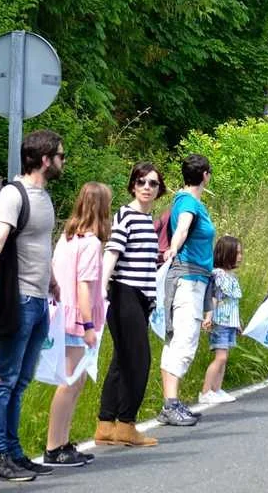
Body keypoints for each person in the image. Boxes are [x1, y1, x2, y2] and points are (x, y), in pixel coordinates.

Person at [0, 130, 63, 481]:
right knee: (3, 378)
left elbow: (40, 246)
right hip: (18, 299)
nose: (63, 161)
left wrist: (53, 281)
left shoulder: (43, 196)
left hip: (39, 298)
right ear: (45, 160)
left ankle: (14, 452)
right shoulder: (13, 195)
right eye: (60, 156)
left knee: (20, 380)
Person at [96, 163, 164, 447]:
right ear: (133, 185)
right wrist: (101, 289)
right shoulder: (126, 215)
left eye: (153, 183)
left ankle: (106, 424)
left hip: (140, 297)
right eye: (141, 182)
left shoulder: (147, 220)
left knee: (122, 359)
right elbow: (112, 253)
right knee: (139, 360)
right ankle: (126, 424)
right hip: (125, 293)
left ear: (159, 189)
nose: (146, 187)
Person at [44, 182, 111, 467]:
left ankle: (63, 441)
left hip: (64, 313)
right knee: (70, 381)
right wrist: (88, 325)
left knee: (77, 379)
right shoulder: (91, 244)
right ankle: (54, 445)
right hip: (76, 318)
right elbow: (84, 286)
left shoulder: (68, 237)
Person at [159, 154, 216, 425]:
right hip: (188, 279)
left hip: (195, 279)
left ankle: (171, 402)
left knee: (177, 340)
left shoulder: (185, 200)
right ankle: (170, 405)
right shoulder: (189, 202)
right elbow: (182, 227)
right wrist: (174, 248)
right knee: (184, 340)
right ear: (205, 175)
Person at [199, 236, 243, 402]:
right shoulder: (218, 275)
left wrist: (238, 322)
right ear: (226, 254)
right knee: (221, 357)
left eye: (240, 253)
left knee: (224, 357)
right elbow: (214, 298)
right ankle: (205, 391)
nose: (240, 256)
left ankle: (216, 389)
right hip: (219, 322)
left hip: (229, 322)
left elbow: (233, 302)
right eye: (236, 253)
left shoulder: (232, 276)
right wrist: (208, 317)